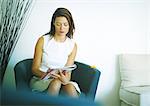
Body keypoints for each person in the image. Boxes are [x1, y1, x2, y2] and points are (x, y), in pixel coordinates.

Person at [30, 7, 80, 98]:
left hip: (60, 79)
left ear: (70, 25)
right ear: (53, 23)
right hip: (41, 79)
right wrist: (47, 75)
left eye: (65, 24)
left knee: (70, 87)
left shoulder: (72, 45)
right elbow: (34, 69)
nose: (62, 28)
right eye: (58, 24)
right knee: (56, 83)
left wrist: (65, 79)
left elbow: (68, 74)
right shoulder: (43, 40)